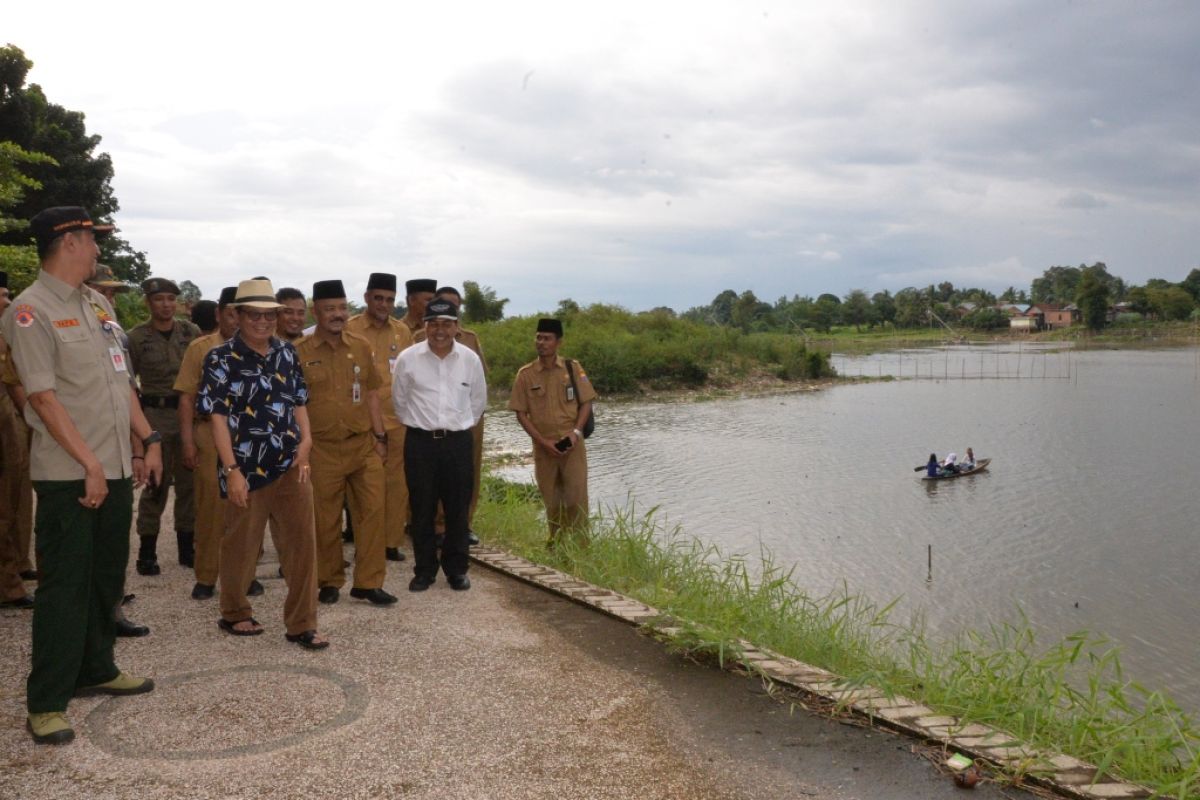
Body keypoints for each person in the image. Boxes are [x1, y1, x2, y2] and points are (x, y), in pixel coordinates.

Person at [1, 206, 163, 745]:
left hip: (115, 466)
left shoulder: (97, 304)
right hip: (72, 474)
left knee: (105, 578)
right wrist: (90, 464)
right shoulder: (29, 311)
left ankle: (97, 667)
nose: (99, 251)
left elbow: (121, 385)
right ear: (69, 241)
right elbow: (43, 398)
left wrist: (148, 440)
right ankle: (46, 701)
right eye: (93, 241)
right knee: (64, 587)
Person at [197, 278, 327, 649]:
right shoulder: (220, 358)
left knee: (302, 545)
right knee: (241, 543)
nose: (262, 322)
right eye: (253, 315)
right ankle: (234, 612)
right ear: (237, 316)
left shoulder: (287, 352)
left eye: (269, 315)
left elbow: (298, 400)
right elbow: (217, 417)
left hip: (291, 462)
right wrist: (231, 471)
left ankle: (302, 622)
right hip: (246, 467)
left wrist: (307, 441)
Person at [297, 280, 394, 606]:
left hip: (362, 444)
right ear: (316, 312)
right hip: (322, 449)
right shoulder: (300, 352)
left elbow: (371, 394)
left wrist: (381, 438)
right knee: (325, 520)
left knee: (372, 513)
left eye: (341, 308)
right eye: (329, 309)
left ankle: (368, 582)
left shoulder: (361, 346)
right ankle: (329, 579)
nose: (338, 315)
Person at [392, 298, 486, 591]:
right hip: (421, 444)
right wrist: (423, 425)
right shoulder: (409, 358)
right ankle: (424, 570)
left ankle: (457, 569)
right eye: (434, 324)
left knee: (458, 509)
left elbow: (478, 402)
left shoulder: (469, 359)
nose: (440, 330)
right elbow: (400, 401)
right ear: (425, 326)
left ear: (457, 327)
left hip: (458, 443)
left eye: (447, 324)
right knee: (422, 509)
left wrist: (456, 425)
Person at [127, 278, 200, 574]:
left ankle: (186, 547)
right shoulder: (136, 337)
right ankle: (147, 551)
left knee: (189, 485)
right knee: (155, 486)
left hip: (187, 416)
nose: (166, 305)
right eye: (159, 299)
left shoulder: (190, 332)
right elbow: (129, 386)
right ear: (148, 302)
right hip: (153, 417)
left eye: (171, 299)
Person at [174, 287, 238, 600]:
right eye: (231, 314)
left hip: (249, 436)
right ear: (218, 314)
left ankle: (243, 574)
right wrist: (187, 443)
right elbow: (186, 398)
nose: (238, 321)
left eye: (245, 313)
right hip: (208, 434)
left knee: (245, 508)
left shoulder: (264, 349)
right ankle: (207, 576)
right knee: (211, 506)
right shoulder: (201, 349)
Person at [508, 318, 596, 546]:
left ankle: (581, 549)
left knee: (576, 499)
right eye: (538, 337)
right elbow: (520, 413)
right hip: (543, 447)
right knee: (551, 500)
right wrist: (542, 441)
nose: (541, 343)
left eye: (547, 338)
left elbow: (586, 402)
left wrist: (576, 432)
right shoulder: (525, 375)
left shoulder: (572, 368)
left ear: (559, 342)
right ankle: (556, 547)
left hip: (572, 444)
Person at [345, 272, 412, 563]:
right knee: (364, 489)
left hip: (398, 419)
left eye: (389, 299)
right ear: (367, 298)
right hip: (362, 422)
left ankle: (390, 542)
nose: (384, 304)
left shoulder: (402, 332)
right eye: (379, 298)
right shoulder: (351, 329)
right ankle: (364, 542)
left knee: (397, 485)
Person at [413, 286, 486, 544]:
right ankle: (437, 525)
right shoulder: (419, 339)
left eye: (455, 305)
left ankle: (465, 524)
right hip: (431, 419)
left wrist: (471, 418)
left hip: (464, 418)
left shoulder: (470, 338)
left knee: (467, 475)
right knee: (431, 480)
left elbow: (480, 386)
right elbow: (404, 392)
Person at [0, 269, 35, 608]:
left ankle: (14, 572)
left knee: (16, 503)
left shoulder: (10, 333)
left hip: (12, 428)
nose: (8, 301)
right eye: (3, 296)